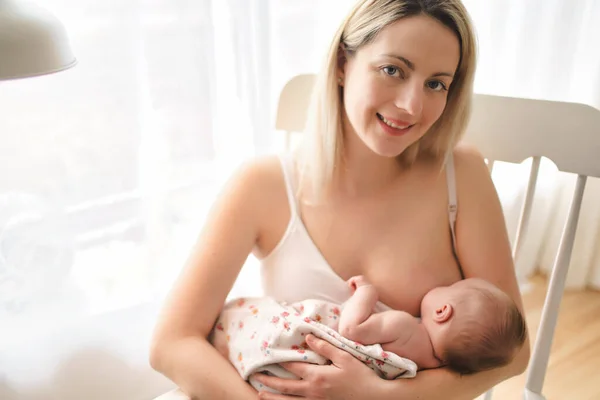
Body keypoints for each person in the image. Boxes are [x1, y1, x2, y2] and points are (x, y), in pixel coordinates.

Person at [149, 0, 531, 399]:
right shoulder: (262, 186)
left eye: (436, 83)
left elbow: (515, 355)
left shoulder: (461, 174)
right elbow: (172, 342)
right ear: (342, 64)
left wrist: (377, 396)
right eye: (392, 70)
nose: (411, 106)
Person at [339, 275, 528, 374]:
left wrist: (366, 291)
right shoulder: (434, 366)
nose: (445, 285)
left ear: (442, 311)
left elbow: (350, 330)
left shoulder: (403, 326)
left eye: (451, 287)